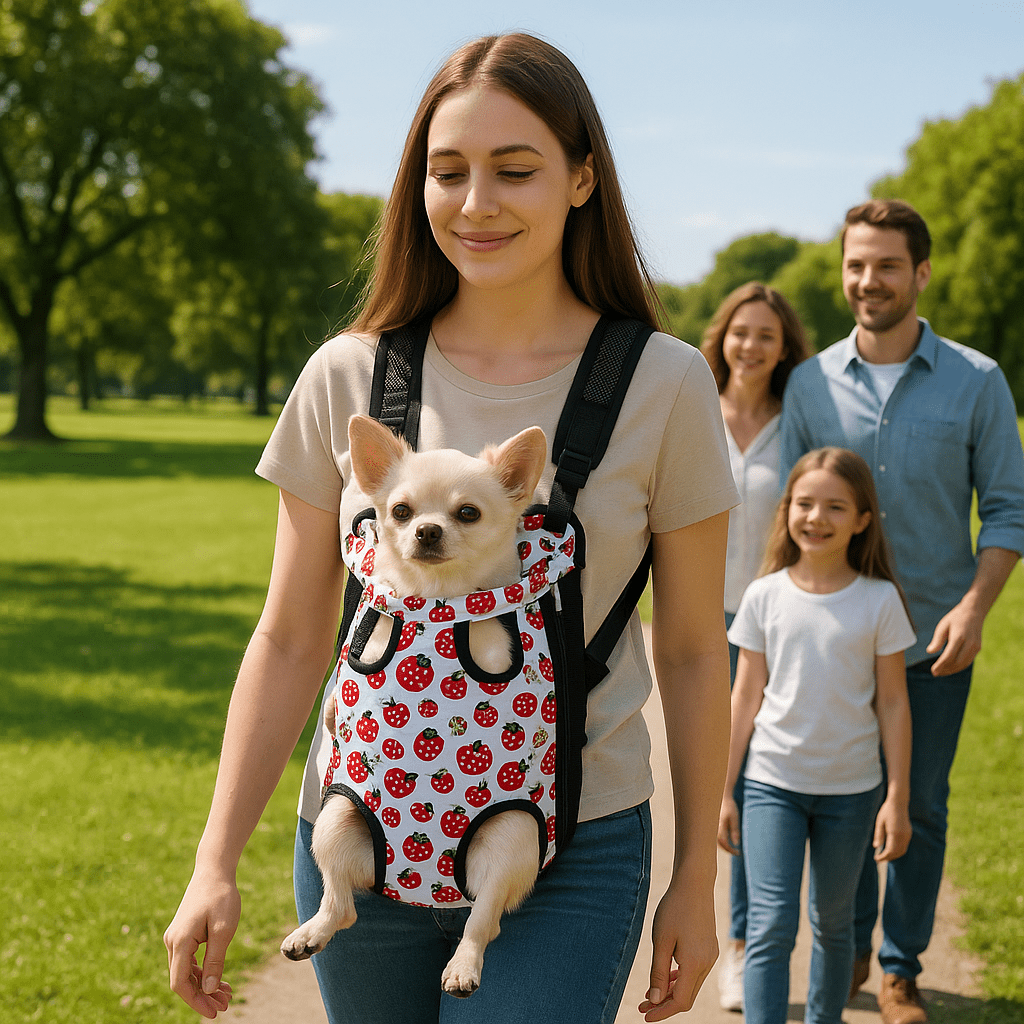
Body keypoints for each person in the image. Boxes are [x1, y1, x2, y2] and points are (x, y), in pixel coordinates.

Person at [163, 32, 740, 1024]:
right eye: (447, 172)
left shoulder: (665, 383)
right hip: (363, 832)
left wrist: (695, 879)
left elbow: (691, 652)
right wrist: (214, 860)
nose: (476, 203)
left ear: (581, 179)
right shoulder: (347, 376)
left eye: (514, 170)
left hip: (571, 849)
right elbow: (291, 637)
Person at [780, 199, 1024, 1024]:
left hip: (933, 642)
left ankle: (900, 969)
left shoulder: (977, 381)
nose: (868, 280)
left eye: (886, 265)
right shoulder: (809, 384)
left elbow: (1009, 509)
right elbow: (791, 514)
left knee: (919, 805)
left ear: (920, 273)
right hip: (836, 643)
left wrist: (975, 609)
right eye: (856, 264)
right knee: (845, 803)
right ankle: (849, 946)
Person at [718, 446, 915, 1024]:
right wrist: (724, 790)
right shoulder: (764, 596)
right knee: (769, 924)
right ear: (786, 511)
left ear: (862, 519)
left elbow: (894, 704)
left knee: (833, 924)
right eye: (804, 503)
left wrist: (897, 799)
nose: (816, 517)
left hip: (851, 793)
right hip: (771, 786)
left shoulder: (880, 600)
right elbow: (744, 698)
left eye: (835, 506)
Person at [700, 282, 810, 1011]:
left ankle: (740, 947)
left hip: (769, 631)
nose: (752, 346)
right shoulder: (695, 411)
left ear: (783, 347)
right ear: (724, 337)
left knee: (747, 787)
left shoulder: (796, 425)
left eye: (767, 335)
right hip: (700, 628)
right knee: (703, 784)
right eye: (742, 332)